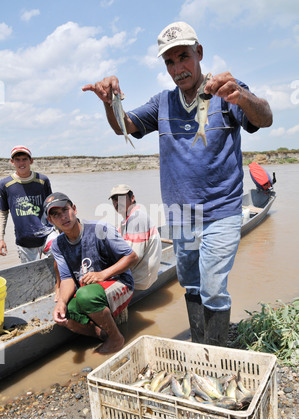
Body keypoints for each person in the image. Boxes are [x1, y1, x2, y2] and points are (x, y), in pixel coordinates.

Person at [82, 21, 273, 347]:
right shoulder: (163, 103)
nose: (178, 68)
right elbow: (124, 126)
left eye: (183, 57)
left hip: (222, 212)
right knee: (192, 285)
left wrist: (243, 98)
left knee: (213, 286)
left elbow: (264, 117)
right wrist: (109, 101)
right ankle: (201, 345)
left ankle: (214, 356)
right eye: (169, 62)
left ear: (199, 53)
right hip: (181, 217)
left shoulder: (225, 91)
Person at [44, 192, 138, 354]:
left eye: (65, 210)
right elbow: (66, 279)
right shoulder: (58, 245)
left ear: (74, 209)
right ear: (51, 221)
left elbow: (132, 257)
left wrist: (102, 274)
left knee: (85, 296)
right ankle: (101, 334)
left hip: (119, 281)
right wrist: (61, 302)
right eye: (56, 215)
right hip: (89, 288)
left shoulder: (100, 229)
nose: (63, 217)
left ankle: (116, 338)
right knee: (68, 312)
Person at [0, 146, 57, 263]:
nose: (21, 163)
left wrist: (60, 228)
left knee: (57, 252)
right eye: (17, 159)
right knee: (33, 276)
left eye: (24, 159)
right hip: (24, 240)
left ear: (31, 161)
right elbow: (3, 213)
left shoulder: (42, 180)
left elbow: (51, 207)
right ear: (12, 162)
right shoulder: (5, 184)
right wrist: (1, 238)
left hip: (47, 233)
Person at [109, 184, 162, 290]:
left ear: (132, 198)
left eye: (121, 198)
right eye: (114, 200)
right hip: (138, 273)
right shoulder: (126, 220)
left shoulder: (137, 218)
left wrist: (106, 272)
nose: (117, 203)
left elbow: (134, 257)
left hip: (139, 279)